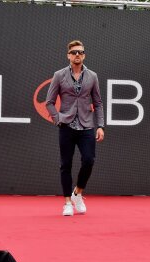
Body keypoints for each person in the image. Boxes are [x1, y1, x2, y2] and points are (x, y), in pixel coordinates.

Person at [46, 40, 105, 216]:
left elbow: (98, 103)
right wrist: (57, 119)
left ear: (84, 55)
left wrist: (100, 125)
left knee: (89, 160)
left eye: (80, 52)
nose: (77, 55)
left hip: (86, 125)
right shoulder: (59, 75)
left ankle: (77, 193)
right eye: (74, 52)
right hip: (66, 125)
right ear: (68, 55)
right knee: (66, 164)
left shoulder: (92, 76)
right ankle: (67, 203)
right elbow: (49, 102)